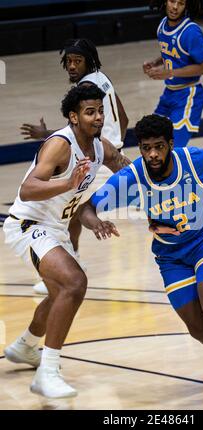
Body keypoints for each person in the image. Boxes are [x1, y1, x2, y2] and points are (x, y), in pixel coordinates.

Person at [81, 114, 203, 387]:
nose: (152, 154)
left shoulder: (195, 161)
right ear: (139, 148)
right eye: (146, 147)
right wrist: (95, 223)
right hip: (170, 256)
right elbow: (87, 207)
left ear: (171, 144)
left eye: (159, 146)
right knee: (198, 329)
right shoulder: (131, 178)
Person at [3, 85, 130, 399]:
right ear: (74, 117)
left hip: (55, 228)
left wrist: (95, 220)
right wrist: (66, 183)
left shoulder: (101, 148)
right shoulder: (60, 145)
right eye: (90, 112)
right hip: (28, 224)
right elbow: (28, 190)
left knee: (61, 291)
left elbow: (130, 174)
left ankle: (26, 346)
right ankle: (47, 373)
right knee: (75, 282)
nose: (98, 117)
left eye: (100, 111)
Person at [20, 38, 129, 294]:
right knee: (73, 210)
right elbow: (123, 117)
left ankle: (65, 268)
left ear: (89, 61)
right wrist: (116, 144)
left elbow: (75, 132)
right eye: (68, 61)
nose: (71, 66)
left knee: (62, 211)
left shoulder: (86, 89)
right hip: (107, 152)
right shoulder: (102, 79)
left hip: (96, 156)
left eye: (77, 61)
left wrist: (46, 133)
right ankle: (72, 261)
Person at [143, 0, 203, 147]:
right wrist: (155, 63)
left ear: (187, 6)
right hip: (169, 93)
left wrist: (170, 72)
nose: (175, 7)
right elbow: (172, 53)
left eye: (181, 3)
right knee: (152, 140)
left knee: (174, 149)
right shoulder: (162, 26)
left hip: (189, 94)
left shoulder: (191, 32)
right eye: (172, 1)